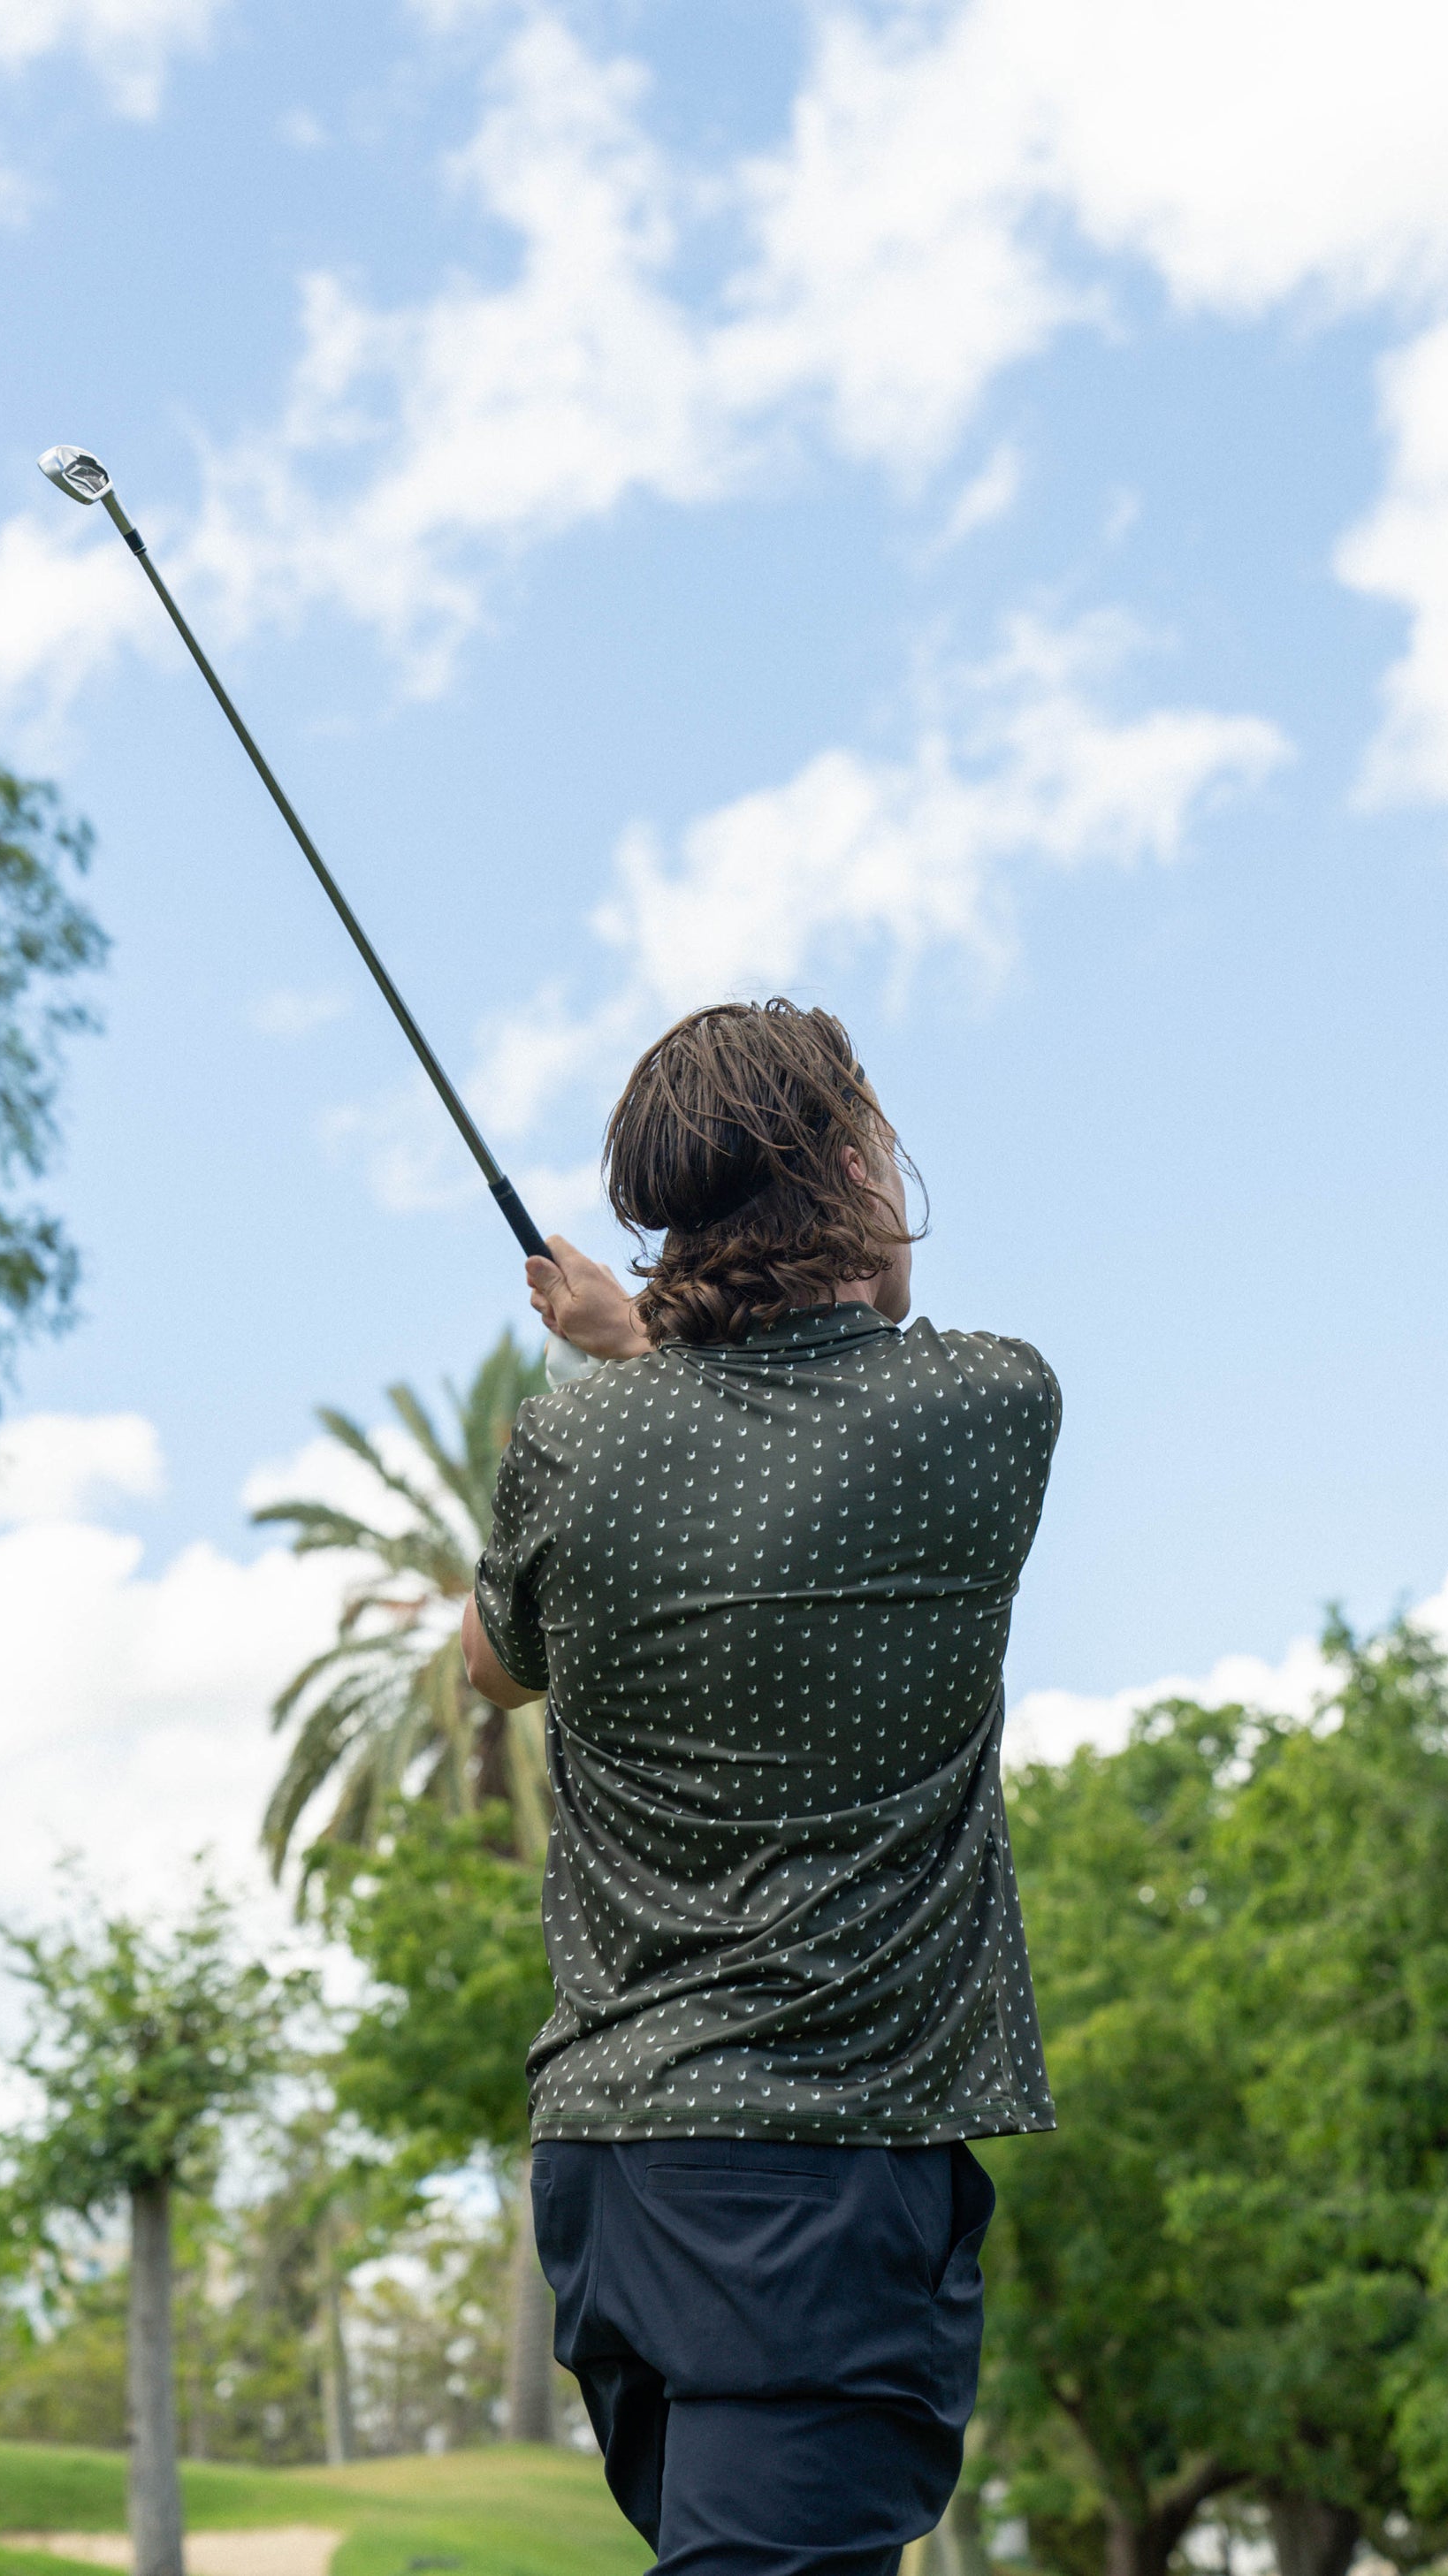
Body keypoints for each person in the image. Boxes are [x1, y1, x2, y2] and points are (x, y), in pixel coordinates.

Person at [461, 998, 1060, 2576]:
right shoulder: (989, 1406)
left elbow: (491, 1667)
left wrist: (630, 1355)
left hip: (612, 2181)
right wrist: (647, 1343)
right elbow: (807, 1433)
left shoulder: (574, 1450)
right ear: (855, 1166)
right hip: (818, 2184)